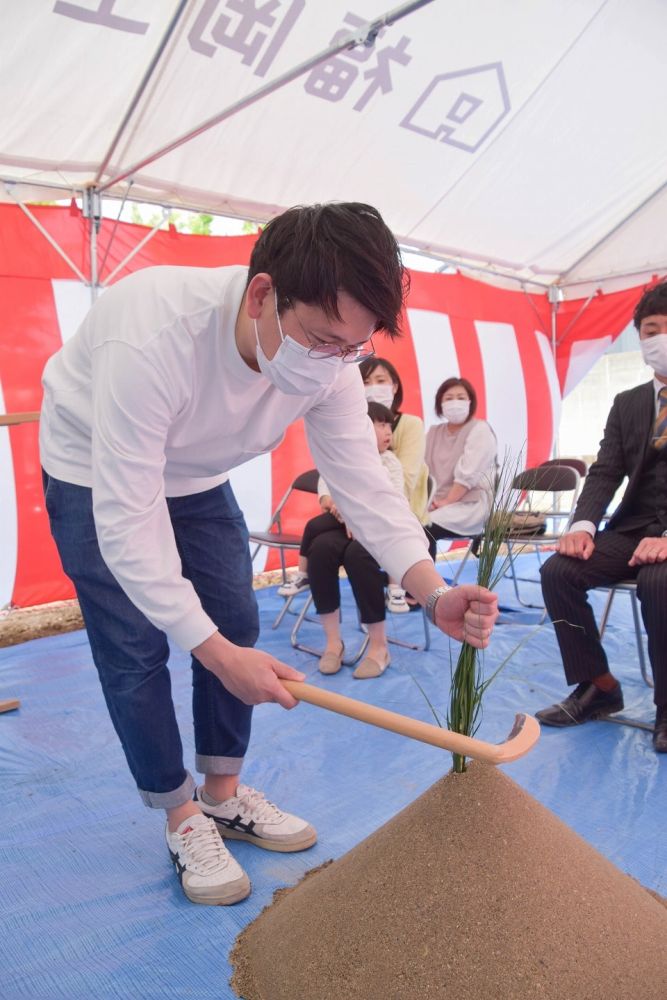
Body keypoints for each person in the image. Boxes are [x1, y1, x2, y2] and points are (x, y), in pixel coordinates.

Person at [39, 201, 499, 907]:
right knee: (135, 647)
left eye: (355, 347)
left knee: (236, 617)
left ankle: (222, 794)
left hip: (196, 472)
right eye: (322, 339)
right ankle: (181, 813)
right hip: (92, 467)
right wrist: (215, 654)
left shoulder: (332, 363)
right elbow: (130, 526)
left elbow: (365, 489)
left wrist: (432, 590)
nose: (337, 363)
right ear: (262, 294)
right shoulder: (152, 332)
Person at [536, 280, 667, 753]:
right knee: (558, 571)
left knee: (660, 582)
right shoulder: (628, 403)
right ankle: (599, 687)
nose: (662, 339)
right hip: (632, 529)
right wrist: (582, 525)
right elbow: (606, 470)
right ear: (639, 337)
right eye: (652, 330)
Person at [296, 401, 408, 680]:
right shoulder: (342, 455)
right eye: (380, 424)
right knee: (321, 550)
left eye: (389, 425)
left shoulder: (390, 462)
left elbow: (392, 499)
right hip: (344, 523)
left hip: (378, 526)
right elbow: (328, 487)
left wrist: (357, 514)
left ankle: (379, 646)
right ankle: (333, 642)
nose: (387, 431)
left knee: (359, 555)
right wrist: (340, 507)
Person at [424, 377, 497, 559]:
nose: (454, 402)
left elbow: (468, 476)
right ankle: (398, 582)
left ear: (470, 402)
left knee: (423, 528)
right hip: (436, 503)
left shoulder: (480, 430)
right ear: (440, 404)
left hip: (469, 506)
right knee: (404, 526)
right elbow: (421, 470)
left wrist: (446, 502)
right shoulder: (433, 433)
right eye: (448, 398)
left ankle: (425, 586)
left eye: (460, 397)